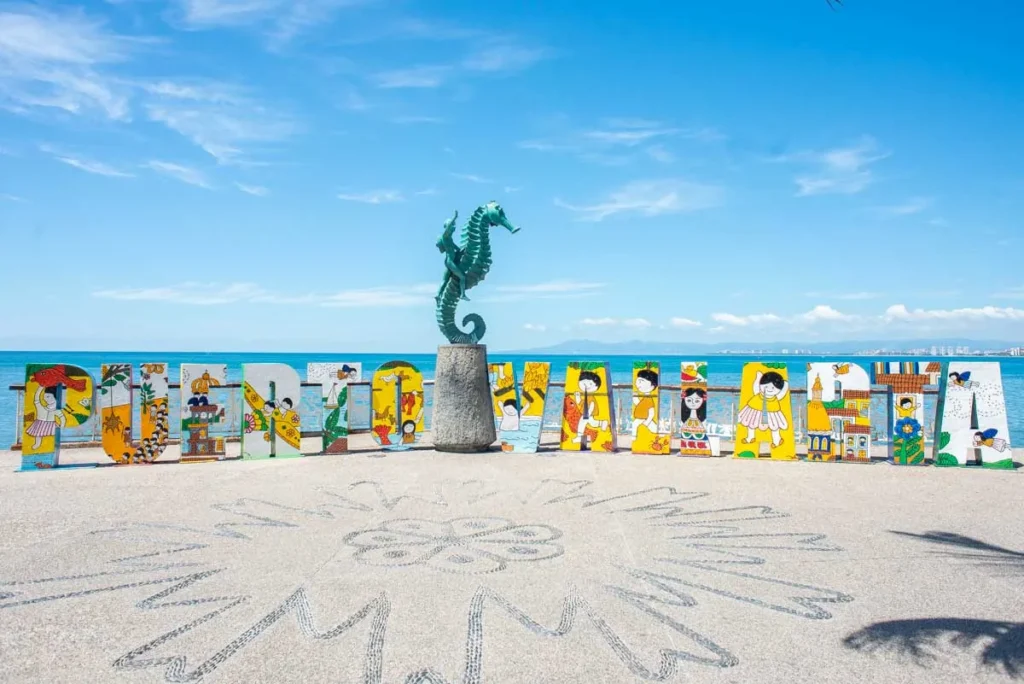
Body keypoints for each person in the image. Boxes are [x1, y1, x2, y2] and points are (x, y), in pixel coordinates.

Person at [737, 370, 789, 448]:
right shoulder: (759, 394)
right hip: (754, 409)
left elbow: (782, 394)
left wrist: (785, 386)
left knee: (774, 426)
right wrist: (758, 378)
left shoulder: (775, 398)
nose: (769, 389)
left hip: (772, 412)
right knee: (751, 423)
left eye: (773, 387)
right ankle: (750, 437)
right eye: (766, 386)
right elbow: (755, 388)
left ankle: (777, 440)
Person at [572, 370, 609, 445]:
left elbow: (592, 404)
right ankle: (602, 423)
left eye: (590, 384)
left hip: (588, 413)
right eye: (584, 383)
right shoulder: (587, 395)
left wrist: (588, 413)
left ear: (596, 386)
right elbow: (580, 403)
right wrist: (577, 397)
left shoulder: (591, 397)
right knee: (592, 423)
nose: (587, 386)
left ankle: (579, 436)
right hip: (586, 413)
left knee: (582, 422)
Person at [26, 385, 62, 450]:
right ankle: (38, 444)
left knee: (53, 435)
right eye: (45, 397)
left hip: (50, 424)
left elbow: (61, 415)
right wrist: (40, 388)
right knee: (38, 434)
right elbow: (36, 399)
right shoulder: (40, 407)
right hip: (40, 423)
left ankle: (50, 445)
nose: (45, 399)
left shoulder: (56, 408)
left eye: (48, 397)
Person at [631, 369, 659, 437]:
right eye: (638, 381)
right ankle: (635, 437)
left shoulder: (649, 399)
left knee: (653, 428)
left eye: (642, 381)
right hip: (642, 418)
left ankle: (634, 437)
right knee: (653, 428)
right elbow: (639, 405)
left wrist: (648, 421)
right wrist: (635, 398)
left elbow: (651, 412)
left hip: (644, 418)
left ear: (652, 387)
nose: (638, 384)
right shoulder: (644, 398)